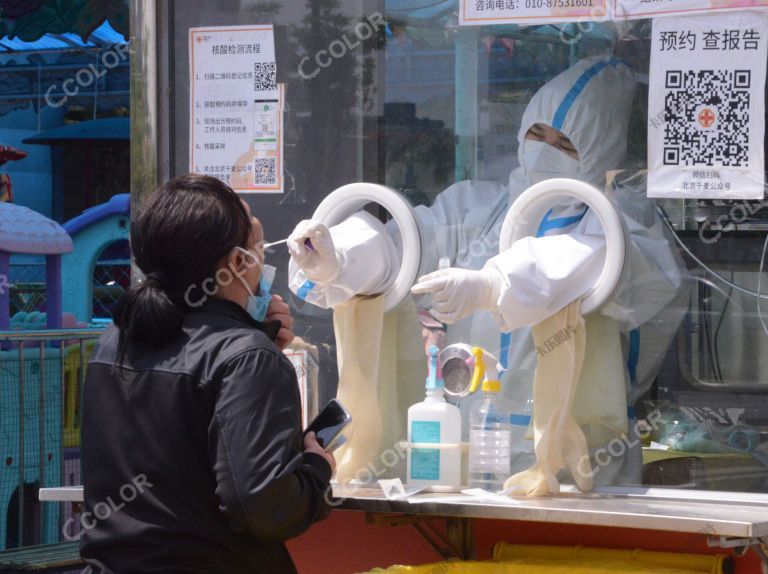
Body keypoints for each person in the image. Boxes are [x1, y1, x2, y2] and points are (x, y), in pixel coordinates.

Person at [287, 55, 689, 486]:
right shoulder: (477, 208)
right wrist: (341, 260)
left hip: (584, 457)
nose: (545, 149)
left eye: (566, 143)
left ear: (601, 149)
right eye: (537, 133)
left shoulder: (625, 222)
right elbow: (405, 244)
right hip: (473, 444)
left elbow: (586, 261)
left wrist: (492, 286)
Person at [80, 174, 335, 573]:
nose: (264, 263)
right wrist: (318, 467)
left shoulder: (115, 340)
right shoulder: (245, 358)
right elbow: (265, 508)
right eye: (258, 247)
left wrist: (253, 340)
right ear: (236, 263)